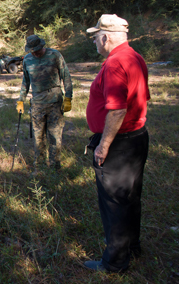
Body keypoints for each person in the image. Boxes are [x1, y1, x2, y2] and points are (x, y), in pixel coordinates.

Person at [84, 14, 150, 272]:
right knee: (130, 198)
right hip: (136, 137)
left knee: (114, 203)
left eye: (94, 39)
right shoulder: (134, 56)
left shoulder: (114, 64)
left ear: (105, 37)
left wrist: (103, 146)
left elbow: (117, 111)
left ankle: (114, 262)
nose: (95, 44)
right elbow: (144, 94)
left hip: (119, 144)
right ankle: (131, 246)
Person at [16, 35, 73, 172]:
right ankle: (39, 167)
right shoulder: (28, 60)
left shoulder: (55, 55)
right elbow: (26, 81)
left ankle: (54, 167)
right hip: (37, 104)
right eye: (32, 50)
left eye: (37, 50)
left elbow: (66, 76)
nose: (35, 53)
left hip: (55, 102)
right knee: (38, 137)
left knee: (54, 136)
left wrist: (68, 98)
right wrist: (20, 100)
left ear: (42, 46)